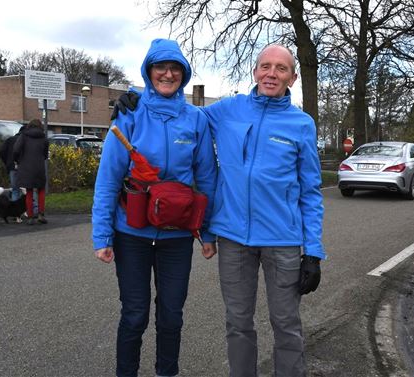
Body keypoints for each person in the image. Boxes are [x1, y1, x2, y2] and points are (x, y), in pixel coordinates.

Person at [112, 43, 325, 377]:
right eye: (265, 66)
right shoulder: (227, 110)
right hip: (233, 238)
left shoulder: (302, 124)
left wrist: (312, 251)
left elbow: (311, 192)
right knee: (238, 324)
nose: (271, 74)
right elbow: (176, 111)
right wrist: (135, 96)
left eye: (281, 68)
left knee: (286, 324)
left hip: (282, 239)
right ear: (255, 71)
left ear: (293, 78)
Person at [92, 38, 217, 377]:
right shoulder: (129, 114)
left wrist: (206, 232)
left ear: (184, 75)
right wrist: (102, 235)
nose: (167, 73)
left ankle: (167, 373)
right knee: (134, 314)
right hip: (131, 232)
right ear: (149, 72)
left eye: (175, 68)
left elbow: (206, 178)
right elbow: (107, 179)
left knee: (172, 315)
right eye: (160, 67)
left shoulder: (196, 120)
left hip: (177, 236)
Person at [13, 118, 48, 225]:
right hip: (39, 167)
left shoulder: (24, 136)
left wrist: (18, 160)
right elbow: (46, 154)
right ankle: (41, 214)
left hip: (26, 167)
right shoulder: (44, 138)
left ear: (30, 126)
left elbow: (16, 150)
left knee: (29, 192)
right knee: (41, 191)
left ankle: (30, 217)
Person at [0, 127, 24, 201]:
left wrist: (7, 162)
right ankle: (27, 209)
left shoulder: (10, 140)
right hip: (25, 168)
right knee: (26, 190)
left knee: (15, 190)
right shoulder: (26, 140)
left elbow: (2, 151)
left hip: (12, 167)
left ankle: (15, 210)